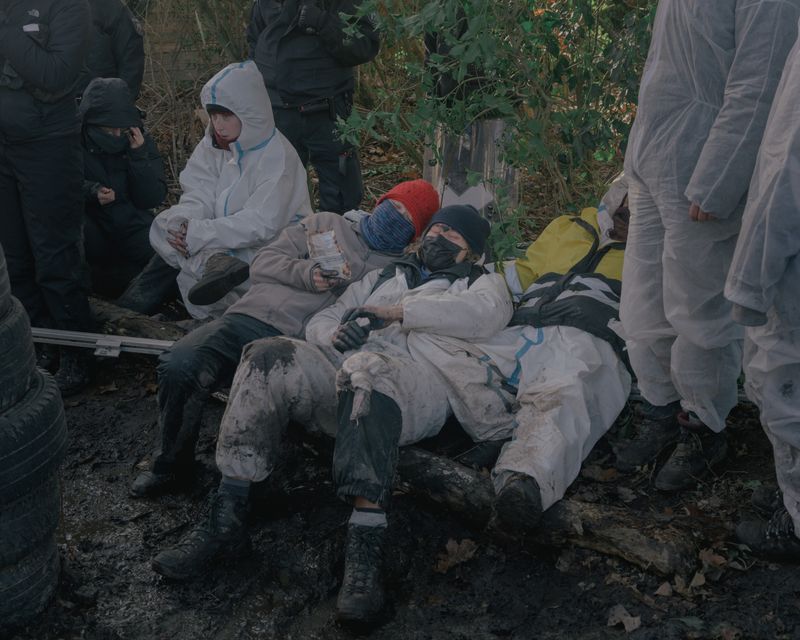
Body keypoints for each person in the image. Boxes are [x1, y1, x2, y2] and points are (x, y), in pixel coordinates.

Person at [148, 206, 511, 619]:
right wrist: (336, 333)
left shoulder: (485, 284)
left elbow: (481, 317)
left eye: (453, 235)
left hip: (421, 385)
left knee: (367, 372)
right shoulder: (384, 276)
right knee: (269, 355)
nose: (438, 238)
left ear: (473, 252)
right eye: (436, 229)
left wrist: (393, 314)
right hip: (350, 369)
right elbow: (325, 316)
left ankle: (364, 557)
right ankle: (228, 511)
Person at [130, 179, 440, 499]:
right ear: (380, 203)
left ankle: (249, 492)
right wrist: (308, 275)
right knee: (180, 363)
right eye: (395, 206)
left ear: (415, 235)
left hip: (307, 349)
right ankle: (171, 467)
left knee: (274, 399)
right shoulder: (326, 223)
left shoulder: (397, 271)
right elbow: (264, 262)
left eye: (408, 218)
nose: (396, 217)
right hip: (254, 318)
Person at [616, 0, 800, 491]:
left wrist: (720, 176)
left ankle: (703, 427)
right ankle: (659, 409)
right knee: (642, 297)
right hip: (654, 154)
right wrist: (633, 160)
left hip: (700, 160)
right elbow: (666, 66)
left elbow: (758, 83)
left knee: (698, 309)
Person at [486, 175, 631, 529]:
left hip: (589, 337)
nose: (631, 223)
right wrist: (469, 277)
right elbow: (522, 272)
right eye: (625, 214)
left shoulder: (659, 253)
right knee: (456, 355)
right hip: (525, 326)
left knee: (566, 392)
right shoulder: (568, 227)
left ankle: (525, 479)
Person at [148, 60, 312, 320]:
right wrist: (186, 223)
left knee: (212, 263)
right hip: (219, 242)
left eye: (226, 116)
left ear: (249, 113)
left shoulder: (278, 157)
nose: (218, 124)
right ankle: (213, 269)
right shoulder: (212, 145)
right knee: (163, 226)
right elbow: (198, 191)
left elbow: (261, 223)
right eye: (213, 116)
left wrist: (201, 233)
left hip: (273, 248)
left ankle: (220, 292)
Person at [724, 27, 800, 560]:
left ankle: (796, 524)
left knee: (784, 386)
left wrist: (749, 282)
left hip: (790, 269)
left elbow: (786, 173)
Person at [0, 0, 95, 395]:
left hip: (47, 146)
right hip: (2, 147)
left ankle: (76, 352)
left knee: (55, 255)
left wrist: (4, 31)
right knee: (15, 257)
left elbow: (55, 75)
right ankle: (36, 347)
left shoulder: (69, 7)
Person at [247, 0, 379, 213]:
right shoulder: (265, 4)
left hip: (326, 110)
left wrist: (323, 23)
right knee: (278, 195)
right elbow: (255, 42)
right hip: (278, 110)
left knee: (341, 197)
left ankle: (337, 242)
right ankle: (289, 243)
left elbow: (365, 46)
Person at [79, 77, 166, 297]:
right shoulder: (72, 141)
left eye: (122, 129)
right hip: (92, 228)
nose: (118, 136)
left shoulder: (139, 141)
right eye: (109, 131)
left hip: (131, 225)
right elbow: (60, 185)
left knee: (167, 253)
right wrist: (92, 191)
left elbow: (151, 198)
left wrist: (138, 156)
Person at [79, 0, 145, 99]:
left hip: (102, 103)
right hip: (57, 106)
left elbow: (131, 60)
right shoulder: (52, 7)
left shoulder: (111, 7)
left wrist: (121, 101)